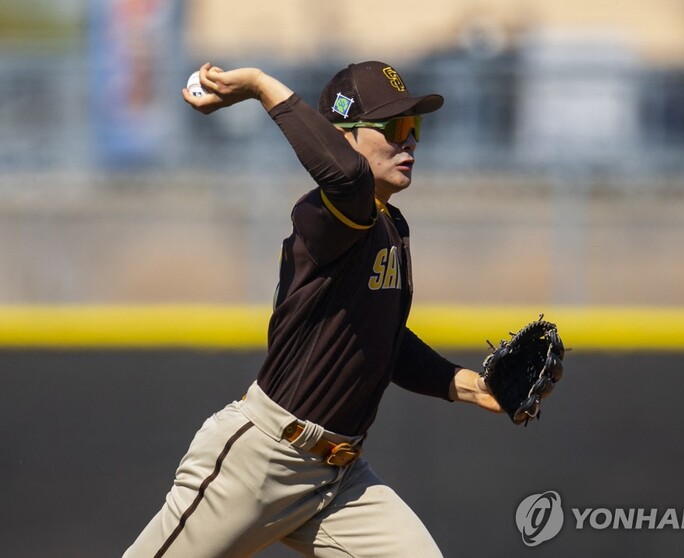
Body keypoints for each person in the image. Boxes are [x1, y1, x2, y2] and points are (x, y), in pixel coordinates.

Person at [124, 60, 500, 558]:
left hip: (339, 480)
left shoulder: (390, 226)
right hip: (262, 459)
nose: (408, 142)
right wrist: (260, 85)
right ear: (343, 137)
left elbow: (382, 339)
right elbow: (346, 179)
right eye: (393, 127)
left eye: (415, 128)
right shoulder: (328, 215)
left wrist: (472, 387)